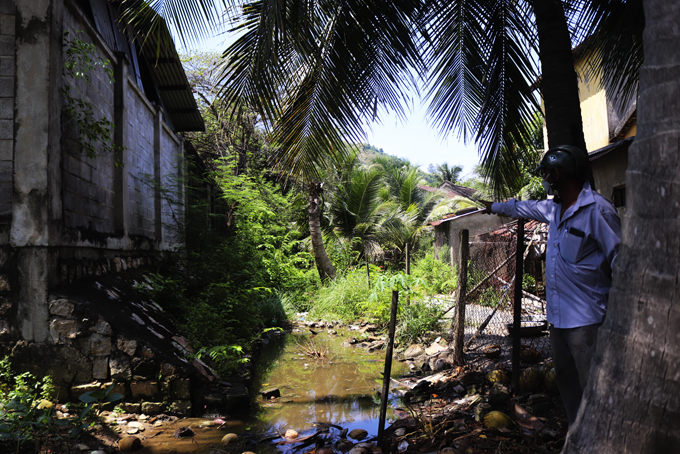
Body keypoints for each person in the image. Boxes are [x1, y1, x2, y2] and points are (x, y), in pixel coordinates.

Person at [481, 145, 621, 426]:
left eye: (546, 173)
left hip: (589, 324)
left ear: (559, 173)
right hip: (558, 323)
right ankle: (576, 437)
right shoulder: (553, 210)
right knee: (568, 387)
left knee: (596, 392)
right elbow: (521, 207)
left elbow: (621, 263)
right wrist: (492, 207)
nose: (544, 178)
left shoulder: (598, 211)